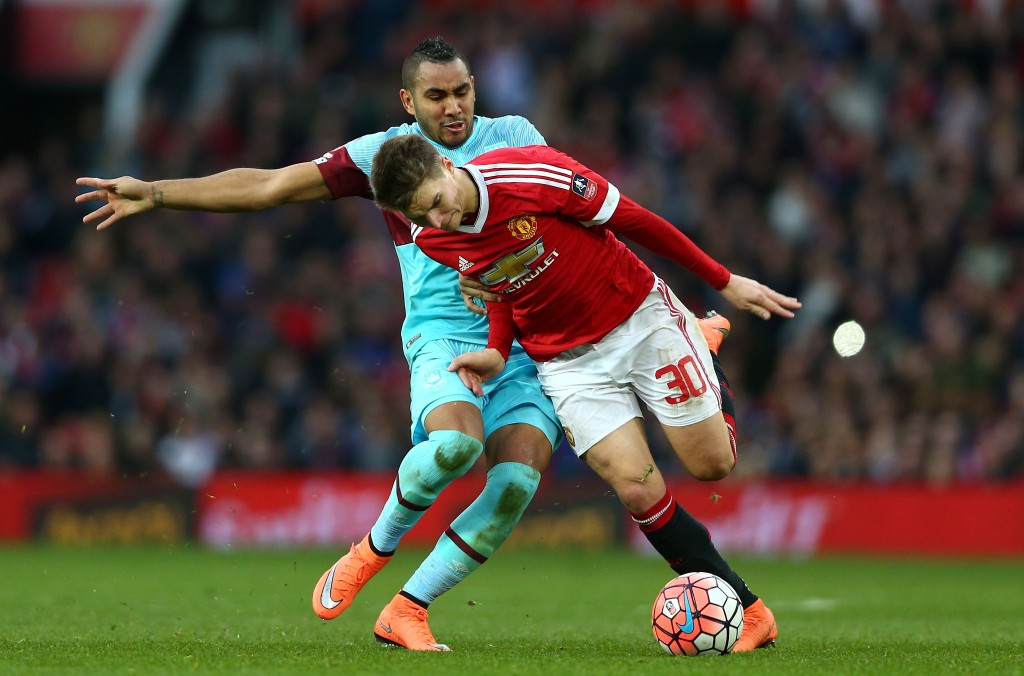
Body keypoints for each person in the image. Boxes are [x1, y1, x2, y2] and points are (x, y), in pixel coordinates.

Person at [75, 36, 566, 653]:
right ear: (407, 101)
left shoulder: (516, 134)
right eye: (435, 95)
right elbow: (270, 186)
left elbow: (571, 216)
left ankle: (408, 610)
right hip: (443, 336)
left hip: (523, 338)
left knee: (516, 485)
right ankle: (371, 550)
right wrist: (157, 192)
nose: (453, 107)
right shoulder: (385, 155)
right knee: (455, 448)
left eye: (462, 90)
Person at [369, 133, 804, 652]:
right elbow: (504, 280)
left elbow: (635, 219)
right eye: (425, 214)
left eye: (438, 202)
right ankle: (751, 611)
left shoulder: (532, 175)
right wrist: (497, 350)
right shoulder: (434, 237)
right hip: (565, 365)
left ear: (446, 164)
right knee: (639, 489)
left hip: (637, 319)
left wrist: (723, 279)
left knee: (712, 466)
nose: (440, 220)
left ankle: (703, 344)